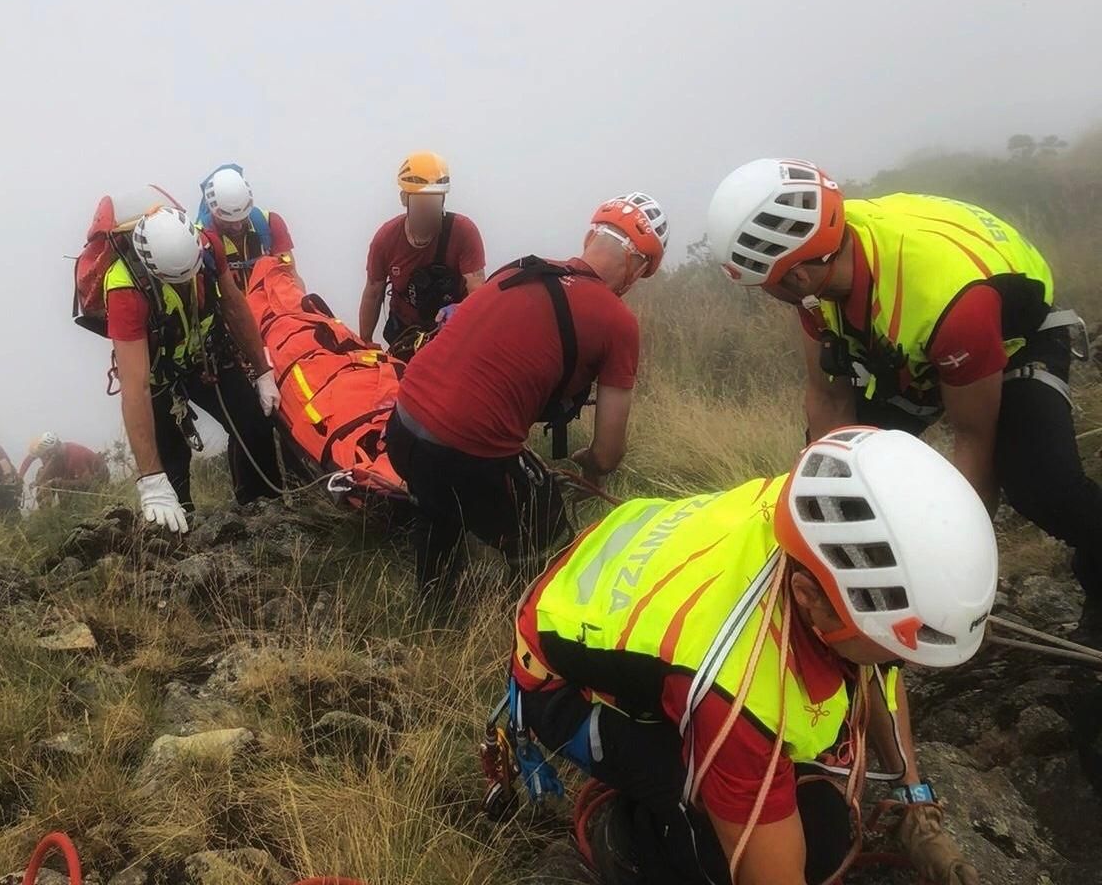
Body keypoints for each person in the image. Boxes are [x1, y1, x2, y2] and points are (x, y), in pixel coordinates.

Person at [513, 427, 995, 885]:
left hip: (621, 571)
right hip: (561, 680)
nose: (900, 664)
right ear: (809, 596)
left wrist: (916, 807)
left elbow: (878, 668)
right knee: (813, 843)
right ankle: (630, 841)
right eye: (890, 645)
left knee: (811, 809)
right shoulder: (735, 687)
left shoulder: (818, 516)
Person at [705, 158, 1102, 601]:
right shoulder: (818, 264)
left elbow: (973, 442)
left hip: (1005, 335)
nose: (766, 296)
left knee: (1042, 486)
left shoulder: (948, 302)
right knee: (853, 467)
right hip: (914, 341)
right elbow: (828, 399)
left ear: (797, 276)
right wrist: (829, 509)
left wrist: (957, 579)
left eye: (765, 285)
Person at [384, 192, 669, 605]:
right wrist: (587, 462)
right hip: (466, 454)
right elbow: (608, 454)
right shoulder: (618, 321)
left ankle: (434, 608)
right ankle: (528, 625)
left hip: (401, 427)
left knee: (439, 506)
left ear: (590, 237)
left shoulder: (519, 269)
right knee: (547, 528)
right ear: (638, 267)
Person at [105, 206, 283, 533]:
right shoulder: (124, 289)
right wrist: (150, 479)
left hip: (205, 357)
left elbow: (233, 304)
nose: (188, 281)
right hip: (158, 376)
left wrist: (262, 371)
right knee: (171, 468)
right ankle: (177, 540)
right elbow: (136, 388)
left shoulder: (207, 245)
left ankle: (264, 515)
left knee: (254, 425)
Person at [358, 150, 486, 348]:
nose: (427, 212)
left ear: (443, 200)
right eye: (420, 203)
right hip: (405, 333)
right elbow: (374, 291)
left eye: (433, 203)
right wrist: (364, 341)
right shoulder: (386, 239)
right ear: (404, 199)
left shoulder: (462, 232)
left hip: (451, 331)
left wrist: (461, 310)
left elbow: (477, 289)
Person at [195, 164, 304, 293]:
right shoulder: (200, 240)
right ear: (214, 212)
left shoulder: (269, 223)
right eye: (228, 222)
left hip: (270, 308)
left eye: (243, 218)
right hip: (229, 310)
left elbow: (291, 276)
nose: (237, 227)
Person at [19, 431, 109, 507]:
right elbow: (49, 465)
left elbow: (85, 483)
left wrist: (58, 483)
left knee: (65, 489)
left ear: (52, 450)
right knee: (45, 478)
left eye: (46, 455)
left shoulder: (76, 456)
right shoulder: (58, 452)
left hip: (97, 478)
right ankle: (46, 511)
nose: (45, 459)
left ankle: (69, 509)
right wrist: (39, 481)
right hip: (74, 473)